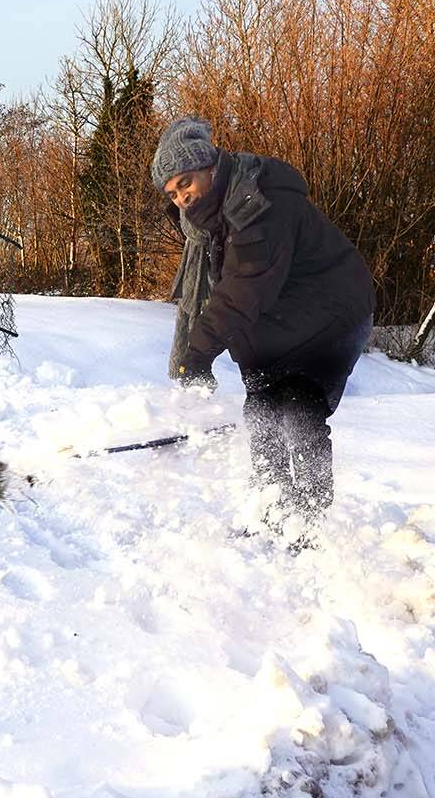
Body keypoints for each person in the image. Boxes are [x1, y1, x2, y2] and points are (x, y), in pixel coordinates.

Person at [151, 117, 375, 540]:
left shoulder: (259, 202)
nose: (182, 197)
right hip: (277, 318)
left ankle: (310, 521)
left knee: (297, 405)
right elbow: (230, 296)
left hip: (331, 309)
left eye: (186, 182)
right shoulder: (211, 220)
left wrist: (195, 355)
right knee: (261, 410)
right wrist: (195, 357)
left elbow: (243, 288)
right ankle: (270, 511)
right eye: (173, 192)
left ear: (210, 167)